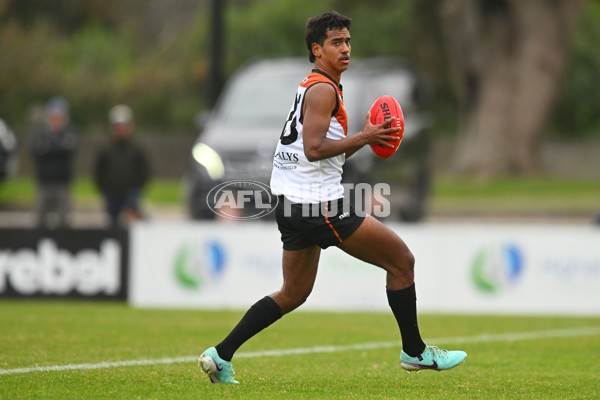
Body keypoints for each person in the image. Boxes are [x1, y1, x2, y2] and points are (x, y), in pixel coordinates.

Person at [198, 11, 466, 384]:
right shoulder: (324, 89)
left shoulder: (313, 86)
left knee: (292, 293)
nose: (345, 49)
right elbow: (313, 148)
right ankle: (416, 352)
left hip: (293, 206)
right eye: (336, 42)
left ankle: (220, 354)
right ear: (316, 49)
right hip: (318, 206)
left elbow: (323, 151)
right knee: (402, 261)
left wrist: (360, 138)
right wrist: (366, 136)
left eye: (348, 42)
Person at [94, 104, 150, 228]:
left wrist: (137, 189)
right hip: (111, 195)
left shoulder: (136, 150)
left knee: (131, 224)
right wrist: (104, 189)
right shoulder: (106, 150)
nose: (121, 129)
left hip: (130, 194)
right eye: (118, 126)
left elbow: (144, 171)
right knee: (112, 225)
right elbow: (99, 171)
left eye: (123, 126)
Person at [29, 96, 79, 228]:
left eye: (59, 117)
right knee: (40, 219)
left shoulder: (70, 131)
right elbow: (35, 151)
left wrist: (50, 148)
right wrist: (57, 147)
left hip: (62, 182)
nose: (56, 120)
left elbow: (70, 149)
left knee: (64, 219)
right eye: (53, 116)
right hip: (44, 181)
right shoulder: (39, 132)